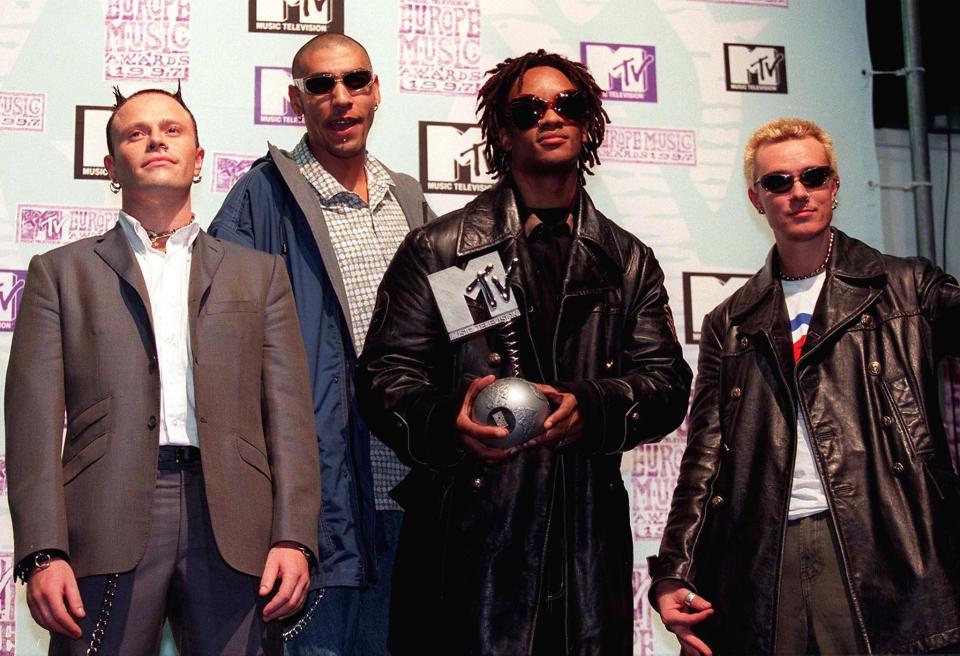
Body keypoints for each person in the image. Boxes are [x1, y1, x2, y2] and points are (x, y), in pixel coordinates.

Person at [356, 49, 692, 655]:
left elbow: (666, 383)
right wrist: (446, 423)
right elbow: (386, 375)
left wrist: (590, 404)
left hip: (584, 543)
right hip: (470, 541)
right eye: (528, 108)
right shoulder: (447, 249)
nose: (550, 116)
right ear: (503, 133)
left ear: (588, 123)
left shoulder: (626, 261)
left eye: (567, 104)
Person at [4, 86, 320, 655]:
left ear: (199, 161)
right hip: (103, 519)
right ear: (110, 166)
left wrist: (295, 536)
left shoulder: (261, 275)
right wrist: (43, 552)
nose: (155, 140)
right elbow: (31, 426)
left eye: (173, 130)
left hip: (237, 521)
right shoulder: (59, 273)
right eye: (135, 132)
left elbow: (292, 420)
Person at [650, 117, 960, 654]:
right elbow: (705, 455)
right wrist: (675, 567)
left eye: (813, 177)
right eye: (778, 182)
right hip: (765, 559)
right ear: (756, 198)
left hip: (890, 544)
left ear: (834, 186)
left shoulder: (907, 286)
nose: (798, 192)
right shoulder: (733, 320)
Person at [210, 33, 434, 655]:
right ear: (296, 100)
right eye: (321, 85)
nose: (341, 98)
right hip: (319, 502)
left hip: (411, 491)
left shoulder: (410, 197)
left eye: (355, 81)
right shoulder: (262, 195)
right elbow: (223, 352)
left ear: (376, 91)